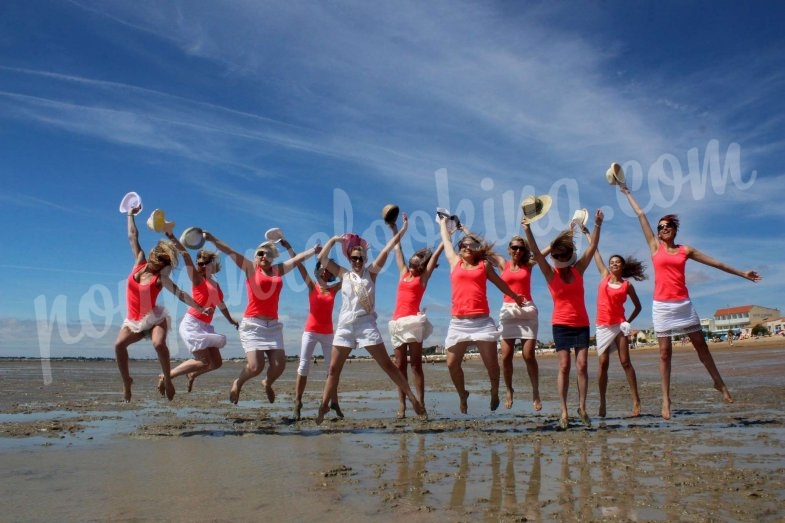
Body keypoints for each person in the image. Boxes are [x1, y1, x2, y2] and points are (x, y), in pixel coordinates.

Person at [618, 182, 762, 419]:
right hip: (662, 305)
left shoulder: (686, 250)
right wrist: (626, 192)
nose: (662, 229)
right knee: (665, 352)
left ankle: (719, 383)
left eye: (666, 226)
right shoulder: (655, 247)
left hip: (683, 303)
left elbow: (716, 263)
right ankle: (666, 400)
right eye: (659, 227)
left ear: (674, 229)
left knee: (701, 345)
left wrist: (742, 273)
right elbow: (641, 215)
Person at [315, 213, 426, 424]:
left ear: (365, 258)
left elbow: (388, 248)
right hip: (346, 326)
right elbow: (323, 259)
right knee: (332, 369)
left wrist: (401, 230)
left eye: (361, 257)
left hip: (366, 325)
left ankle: (412, 399)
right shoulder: (344, 274)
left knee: (387, 364)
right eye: (354, 258)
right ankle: (324, 405)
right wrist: (333, 240)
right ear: (349, 258)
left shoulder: (371, 273)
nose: (357, 261)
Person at [204, 231, 320, 405]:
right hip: (253, 324)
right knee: (255, 367)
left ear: (273, 257)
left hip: (272, 326)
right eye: (260, 253)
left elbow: (297, 260)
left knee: (279, 365)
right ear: (255, 257)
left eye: (268, 254)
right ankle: (238, 382)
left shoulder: (277, 270)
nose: (264, 256)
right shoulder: (250, 268)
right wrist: (212, 239)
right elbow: (229, 250)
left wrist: (313, 250)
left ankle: (267, 382)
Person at [114, 207, 209, 402]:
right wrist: (130, 214)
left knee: (158, 343)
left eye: (163, 261)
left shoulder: (160, 279)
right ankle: (127, 382)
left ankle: (168, 379)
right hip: (134, 321)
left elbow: (180, 294)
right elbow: (133, 236)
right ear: (152, 254)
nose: (158, 261)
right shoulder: (139, 262)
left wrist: (199, 307)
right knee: (118, 345)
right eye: (158, 256)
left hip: (154, 318)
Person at [437, 215, 526, 415]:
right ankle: (463, 395)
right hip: (458, 323)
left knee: (492, 367)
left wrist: (514, 296)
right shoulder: (454, 262)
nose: (466, 247)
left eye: (470, 245)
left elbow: (499, 282)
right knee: (451, 364)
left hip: (482, 323)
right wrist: (443, 223)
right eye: (463, 245)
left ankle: (495, 391)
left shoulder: (483, 266)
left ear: (476, 249)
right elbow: (446, 241)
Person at [522, 210, 602, 429]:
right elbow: (537, 253)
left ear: (567, 255)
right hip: (561, 325)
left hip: (581, 324)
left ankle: (582, 407)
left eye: (560, 254)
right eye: (555, 255)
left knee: (583, 365)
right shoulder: (550, 274)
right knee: (565, 366)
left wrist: (597, 224)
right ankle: (564, 411)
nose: (556, 258)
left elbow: (592, 247)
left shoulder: (579, 270)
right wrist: (527, 229)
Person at [157, 244, 239, 395]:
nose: (201, 266)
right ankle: (166, 376)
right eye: (199, 263)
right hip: (192, 323)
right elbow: (186, 257)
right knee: (203, 361)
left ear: (211, 264)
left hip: (205, 326)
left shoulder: (215, 284)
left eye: (204, 263)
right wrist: (173, 238)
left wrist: (231, 320)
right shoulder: (197, 278)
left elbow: (221, 305)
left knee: (217, 363)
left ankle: (192, 374)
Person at [580, 226, 645, 417]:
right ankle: (602, 402)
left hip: (619, 325)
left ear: (622, 267)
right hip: (602, 326)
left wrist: (628, 322)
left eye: (617, 262)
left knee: (625, 362)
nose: (614, 264)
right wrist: (587, 233)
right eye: (612, 262)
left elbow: (638, 306)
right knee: (603, 364)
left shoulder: (627, 285)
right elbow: (595, 251)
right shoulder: (603, 275)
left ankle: (636, 401)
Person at [388, 217, 444, 419]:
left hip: (413, 322)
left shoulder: (422, 277)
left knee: (416, 365)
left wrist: (445, 233)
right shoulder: (403, 272)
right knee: (399, 365)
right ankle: (402, 404)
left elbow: (436, 256)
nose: (412, 264)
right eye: (412, 261)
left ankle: (421, 403)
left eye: (417, 263)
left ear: (421, 265)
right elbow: (397, 249)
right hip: (397, 322)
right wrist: (396, 228)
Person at [494, 235, 548, 412]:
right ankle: (509, 389)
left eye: (521, 248)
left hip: (527, 310)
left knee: (528, 355)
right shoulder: (503, 263)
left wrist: (566, 235)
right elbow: (482, 249)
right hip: (508, 311)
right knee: (506, 356)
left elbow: (543, 252)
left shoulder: (529, 265)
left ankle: (535, 391)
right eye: (514, 247)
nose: (517, 250)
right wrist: (464, 229)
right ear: (509, 249)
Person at [292, 259, 342, 421]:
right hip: (311, 331)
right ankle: (298, 402)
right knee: (304, 365)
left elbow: (349, 277)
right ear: (317, 271)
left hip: (328, 333)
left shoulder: (334, 288)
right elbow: (299, 266)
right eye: (322, 269)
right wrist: (289, 248)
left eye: (328, 269)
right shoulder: (312, 286)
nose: (324, 272)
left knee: (331, 369)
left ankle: (333, 402)